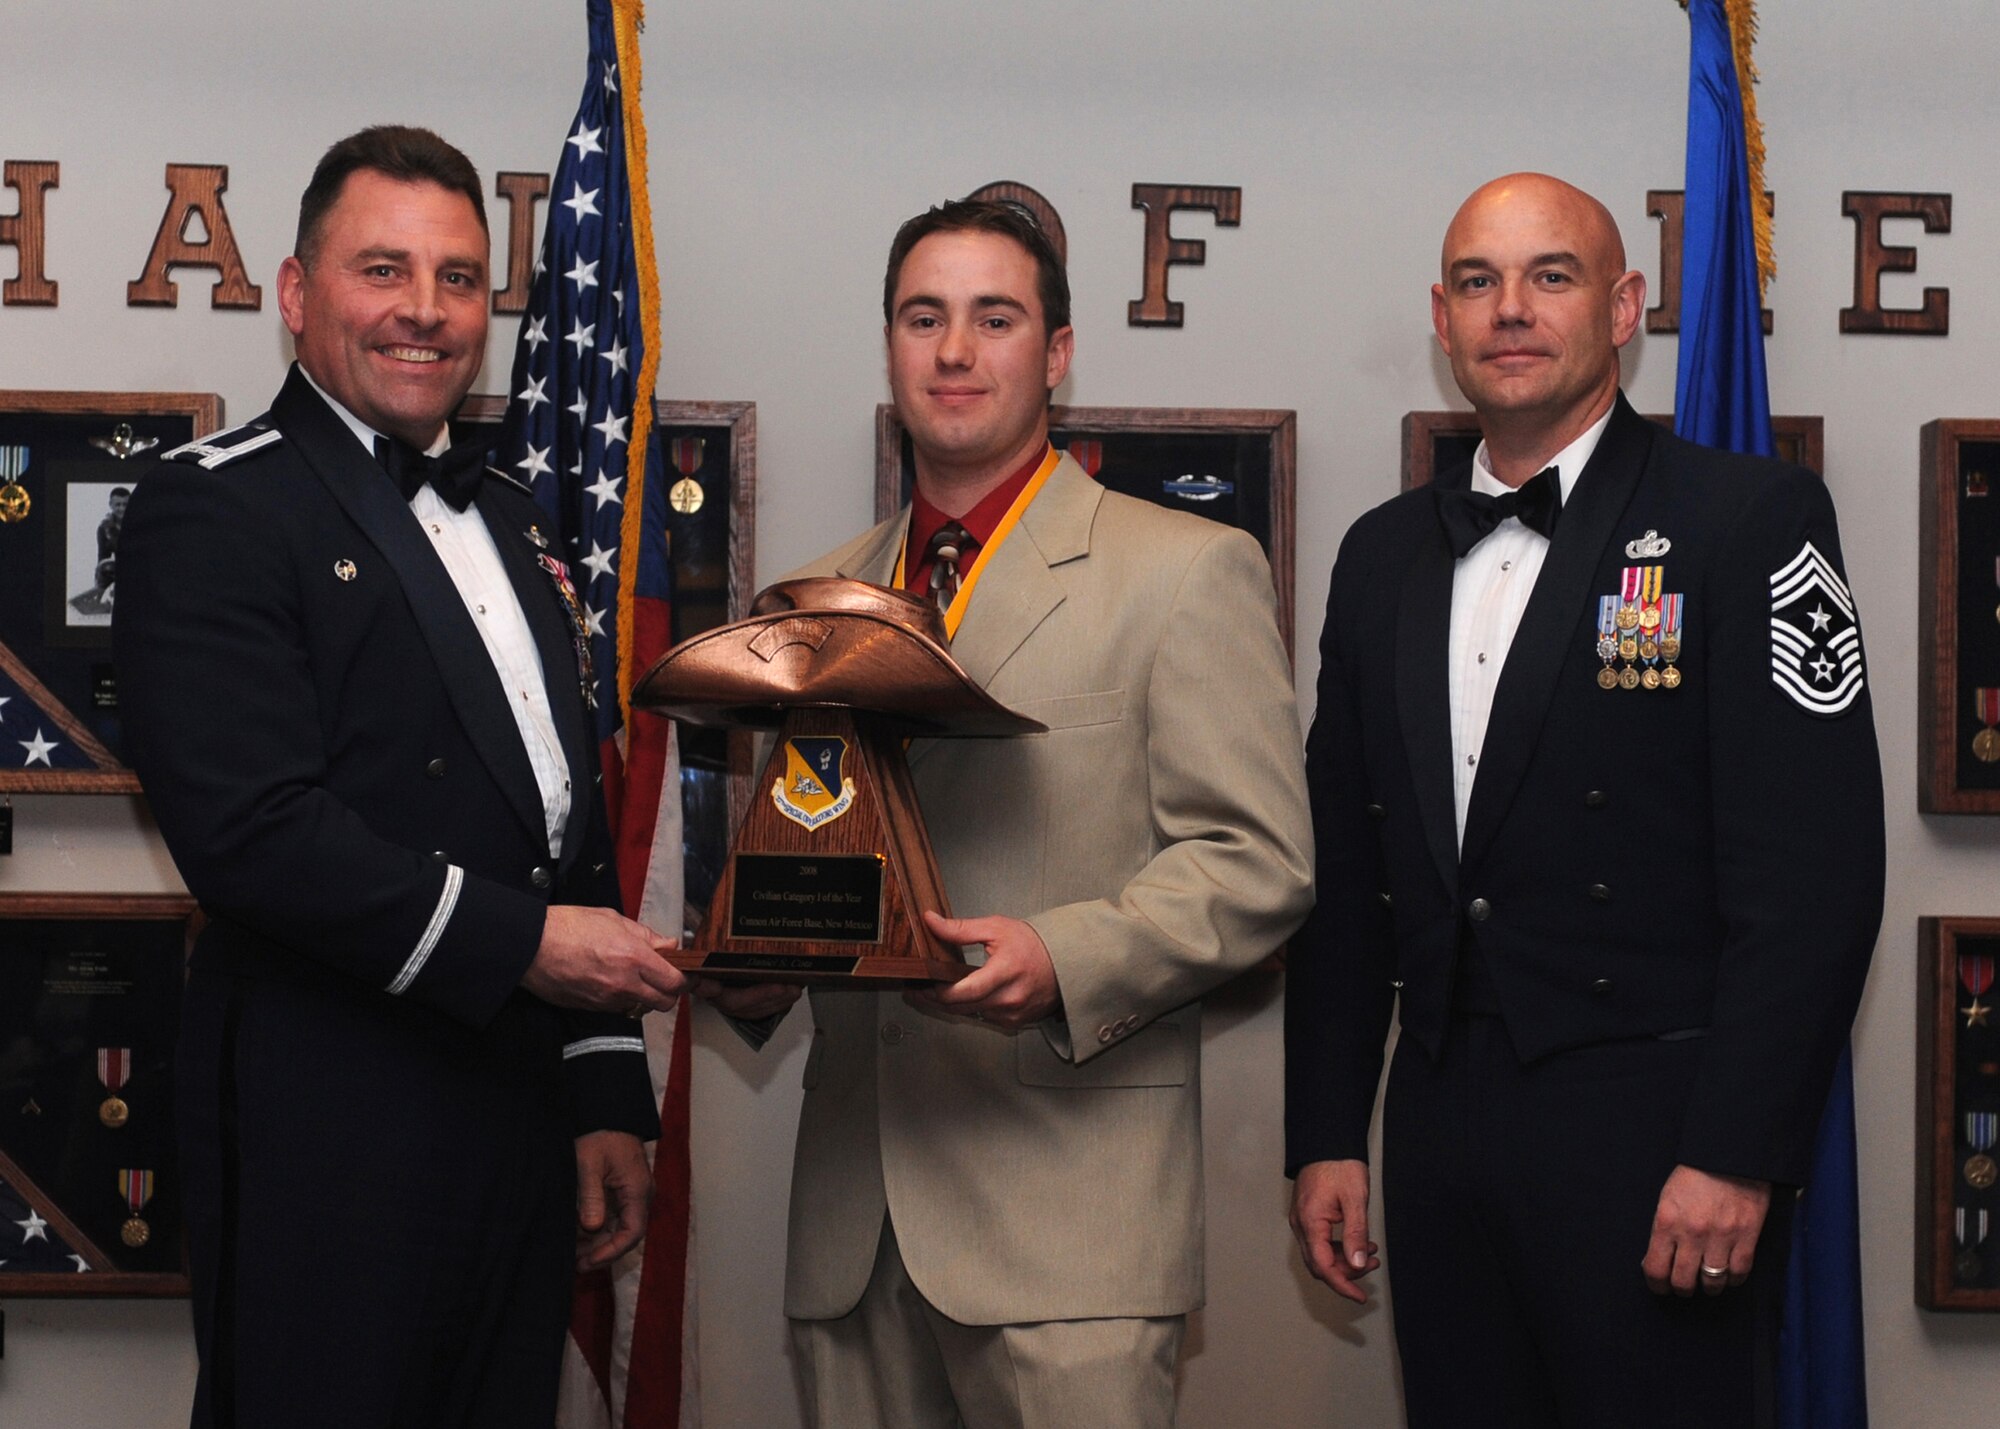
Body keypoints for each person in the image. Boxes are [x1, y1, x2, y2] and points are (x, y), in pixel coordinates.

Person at [1284, 172, 1885, 1427]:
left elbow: (1813, 880)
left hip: (1658, 1135)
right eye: (1475, 282)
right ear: (1440, 320)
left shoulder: (1748, 519)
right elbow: (1349, 871)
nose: (1509, 310)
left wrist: (1734, 1151)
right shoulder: (1382, 553)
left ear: (1623, 308)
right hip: (1440, 1126)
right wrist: (1326, 1127)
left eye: (1548, 276)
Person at [703, 199, 1314, 1427]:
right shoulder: (820, 598)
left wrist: (1065, 955)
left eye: (995, 318)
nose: (954, 351)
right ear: (888, 344)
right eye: (923, 318)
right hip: (853, 1228)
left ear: (1059, 349)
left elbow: (1257, 862)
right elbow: (809, 851)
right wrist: (749, 960)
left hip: (1067, 1231)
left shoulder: (1184, 568)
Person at [115, 126, 685, 1429]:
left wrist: (603, 1081)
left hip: (518, 1111)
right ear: (298, 294)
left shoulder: (519, 518)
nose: (426, 312)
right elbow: (252, 832)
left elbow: (565, 814)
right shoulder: (213, 509)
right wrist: (533, 945)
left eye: (460, 278)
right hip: (330, 1118)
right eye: (384, 270)